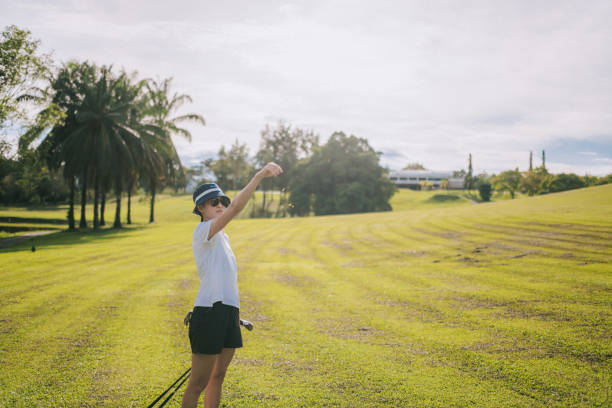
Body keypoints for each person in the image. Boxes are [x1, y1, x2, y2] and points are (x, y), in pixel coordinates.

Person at [181, 162, 283, 408]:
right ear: (201, 208)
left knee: (218, 377)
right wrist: (259, 176)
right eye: (214, 202)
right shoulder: (203, 231)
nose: (221, 205)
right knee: (197, 384)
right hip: (209, 312)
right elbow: (237, 207)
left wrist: (232, 313)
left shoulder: (222, 238)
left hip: (227, 312)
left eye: (222, 202)